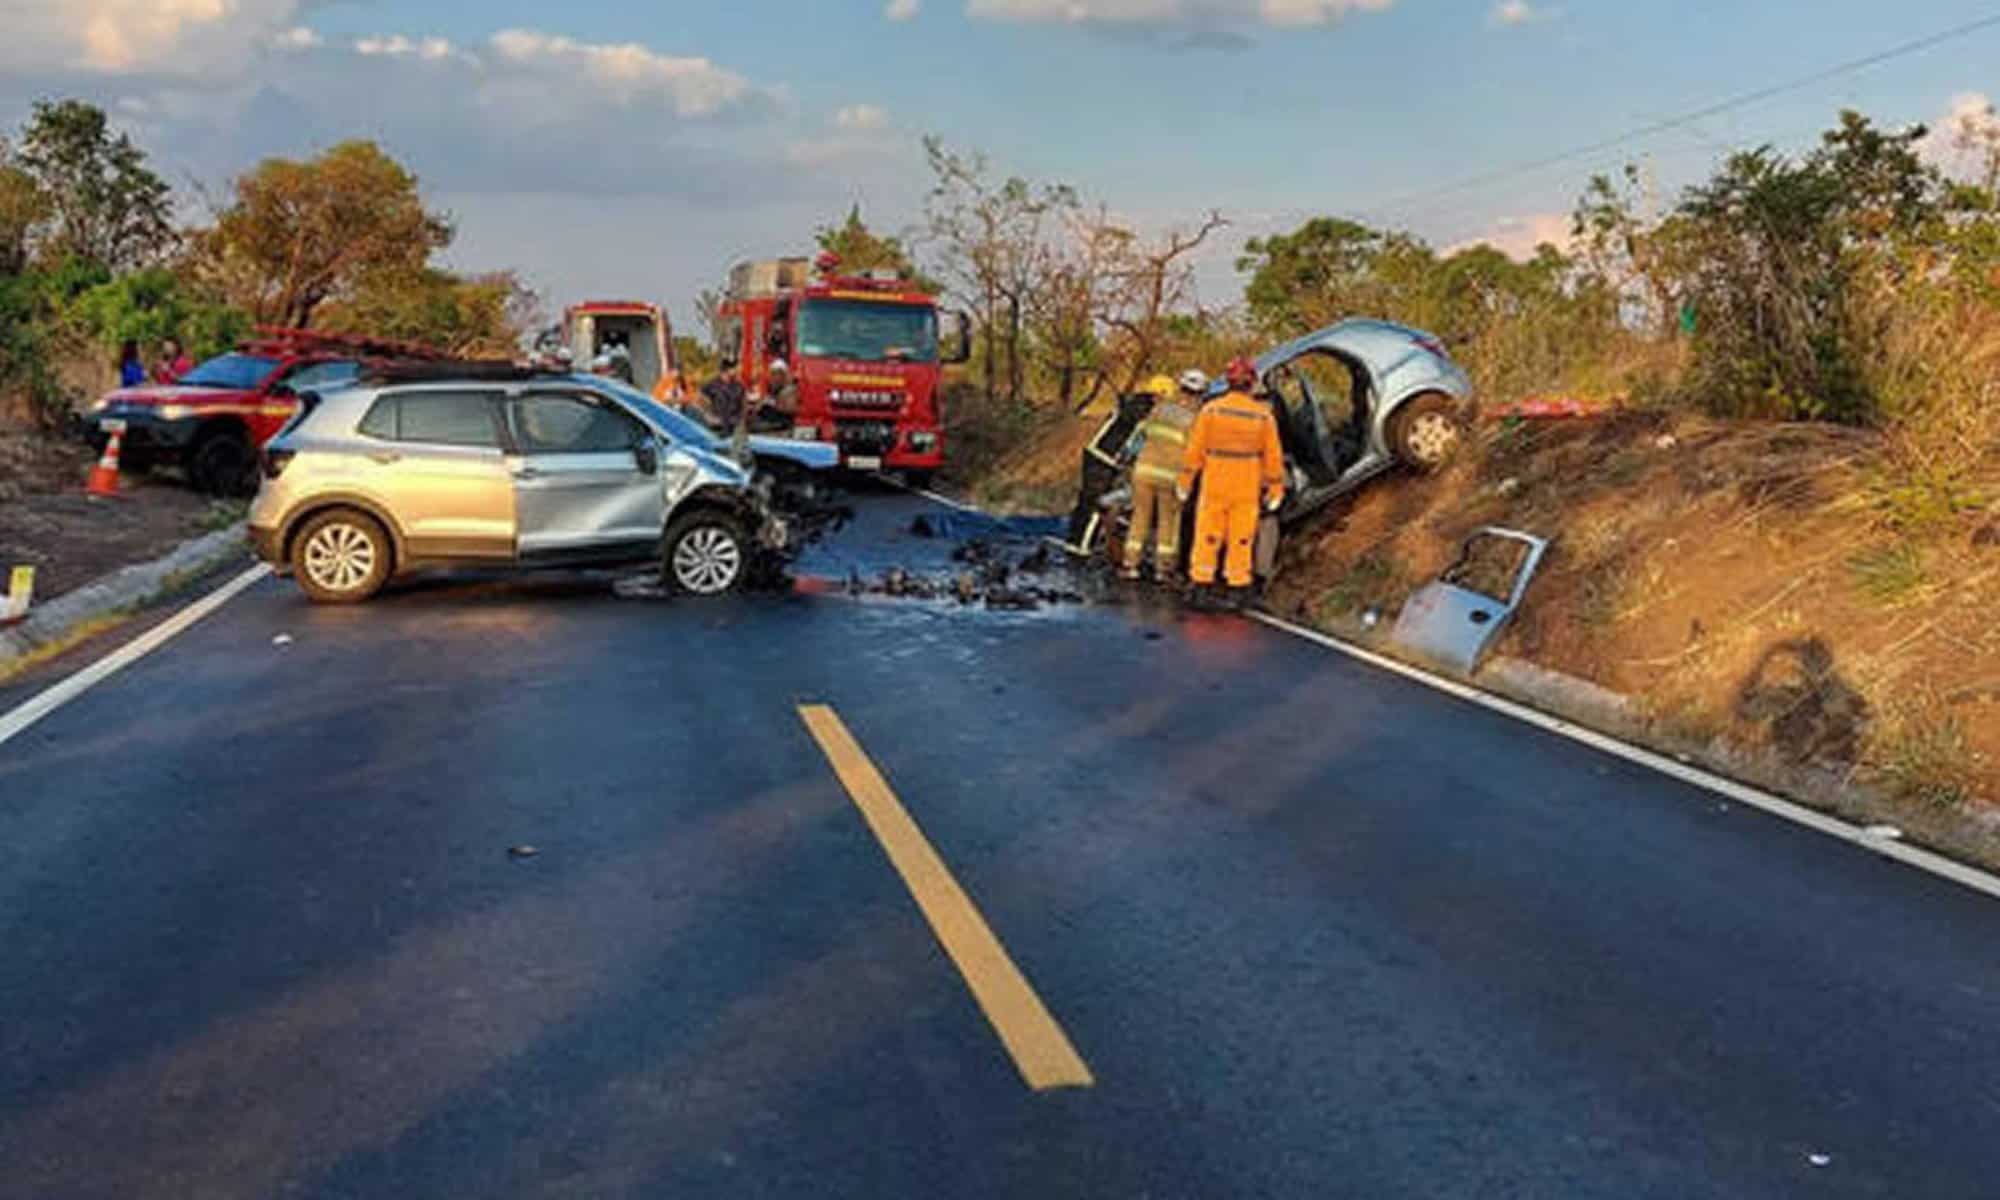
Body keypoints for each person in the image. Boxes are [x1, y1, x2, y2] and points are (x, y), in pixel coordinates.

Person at [1179, 357, 1284, 603]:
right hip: (1246, 484)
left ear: (1228, 381)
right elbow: (1273, 455)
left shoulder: (1211, 410)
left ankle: (1200, 585)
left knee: (1207, 534)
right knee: (1241, 538)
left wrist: (1185, 481)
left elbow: (1195, 450)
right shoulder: (1263, 416)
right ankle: (1237, 588)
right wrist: (1276, 488)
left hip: (1215, 481)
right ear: (1251, 383)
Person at [1121, 371, 1203, 581]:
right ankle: (1163, 570)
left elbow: (1138, 438)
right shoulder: (1196, 419)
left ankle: (1130, 565)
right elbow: (1196, 451)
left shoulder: (1159, 409)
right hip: (1171, 476)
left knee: (1140, 518)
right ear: (1199, 393)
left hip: (1144, 471)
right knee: (1169, 522)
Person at [1061, 387, 1155, 557]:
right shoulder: (1138, 414)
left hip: (1094, 455)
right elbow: (1134, 446)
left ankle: (1073, 542)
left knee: (1085, 501)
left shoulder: (1124, 409)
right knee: (1097, 505)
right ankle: (1083, 547)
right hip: (1104, 461)